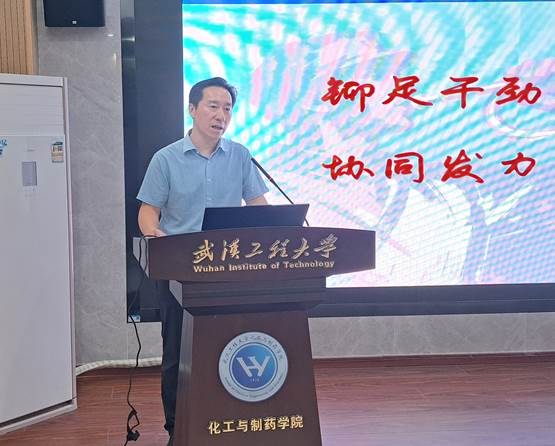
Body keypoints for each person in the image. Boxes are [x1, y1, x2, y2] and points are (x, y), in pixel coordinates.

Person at [136, 77, 268, 445]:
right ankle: (177, 429)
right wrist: (153, 235)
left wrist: (276, 231)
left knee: (228, 347)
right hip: (180, 269)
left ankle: (225, 422)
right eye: (213, 106)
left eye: (227, 108)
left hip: (230, 271)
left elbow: (259, 208)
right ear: (192, 110)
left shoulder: (240, 156)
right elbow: (148, 211)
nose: (221, 115)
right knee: (178, 354)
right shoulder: (166, 158)